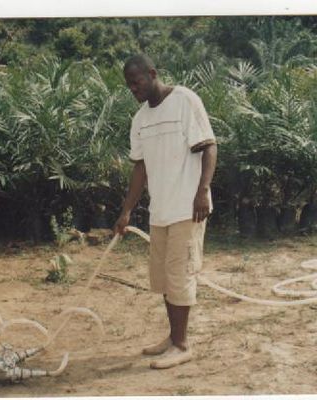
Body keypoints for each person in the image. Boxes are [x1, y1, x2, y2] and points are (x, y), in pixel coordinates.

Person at [114, 54, 217, 369]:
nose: (134, 89)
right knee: (163, 279)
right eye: (129, 85)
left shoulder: (185, 100)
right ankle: (173, 337)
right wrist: (126, 211)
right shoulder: (140, 119)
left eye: (137, 81)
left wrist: (202, 192)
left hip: (188, 208)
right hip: (160, 210)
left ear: (152, 74)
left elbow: (209, 146)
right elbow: (139, 170)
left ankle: (182, 345)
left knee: (179, 275)